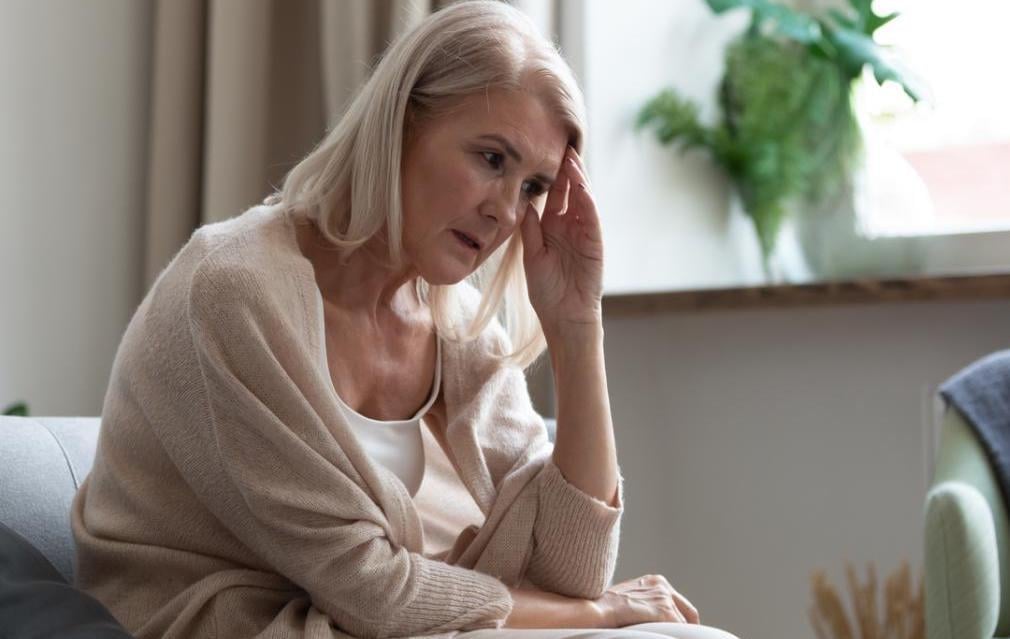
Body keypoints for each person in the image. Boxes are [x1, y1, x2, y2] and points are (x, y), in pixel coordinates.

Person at [71, 2, 740, 638]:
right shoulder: (235, 288)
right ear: (402, 124)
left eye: (534, 186)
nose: (507, 210)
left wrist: (577, 328)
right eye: (491, 159)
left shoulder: (461, 332)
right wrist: (593, 614)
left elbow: (573, 569)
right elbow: (372, 590)